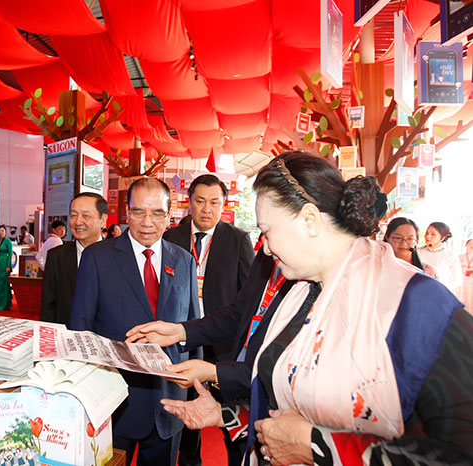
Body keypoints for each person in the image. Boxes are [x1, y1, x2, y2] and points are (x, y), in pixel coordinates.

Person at [159, 151, 473, 465]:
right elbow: (291, 406)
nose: (264, 248)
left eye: (267, 231)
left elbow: (460, 452)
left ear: (309, 220)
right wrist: (227, 414)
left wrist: (317, 447)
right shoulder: (301, 293)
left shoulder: (417, 305)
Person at [70, 177, 200, 466]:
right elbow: (81, 332)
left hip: (169, 404)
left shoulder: (184, 261)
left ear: (169, 216)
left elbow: (193, 329)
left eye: (157, 213)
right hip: (114, 403)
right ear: (127, 212)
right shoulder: (97, 258)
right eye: (139, 212)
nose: (147, 222)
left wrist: (195, 393)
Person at [126, 246, 295, 463]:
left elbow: (286, 369)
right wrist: (180, 331)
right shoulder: (268, 254)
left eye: (270, 231)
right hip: (241, 400)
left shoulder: (317, 286)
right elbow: (237, 314)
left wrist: (213, 372)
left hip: (278, 411)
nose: (266, 247)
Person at [162, 173, 254, 465]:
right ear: (189, 202)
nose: (206, 209)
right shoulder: (171, 237)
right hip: (184, 342)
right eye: (200, 201)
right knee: (186, 417)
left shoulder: (238, 240)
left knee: (230, 420)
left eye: (214, 203)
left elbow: (248, 297)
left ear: (223, 205)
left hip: (224, 345)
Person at [41, 193, 108, 326]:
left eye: (86, 215)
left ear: (103, 220)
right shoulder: (56, 256)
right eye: (73, 215)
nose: (78, 222)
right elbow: (48, 306)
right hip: (66, 334)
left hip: (106, 336)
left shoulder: (118, 257)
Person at [418, 221, 463, 295]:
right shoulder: (417, 252)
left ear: (443, 238)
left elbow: (457, 280)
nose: (428, 236)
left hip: (440, 294)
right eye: (427, 233)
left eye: (433, 234)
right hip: (418, 292)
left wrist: (440, 287)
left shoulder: (450, 255)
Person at [0, 225, 14, 311]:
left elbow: (10, 254)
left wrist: (8, 266)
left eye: (2, 231)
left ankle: (4, 303)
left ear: (5, 232)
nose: (0, 233)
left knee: (4, 283)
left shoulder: (8, 241)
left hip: (4, 263)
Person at [460, 239, 473, 313]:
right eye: (470, 244)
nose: (472, 246)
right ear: (466, 245)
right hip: (462, 280)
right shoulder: (460, 257)